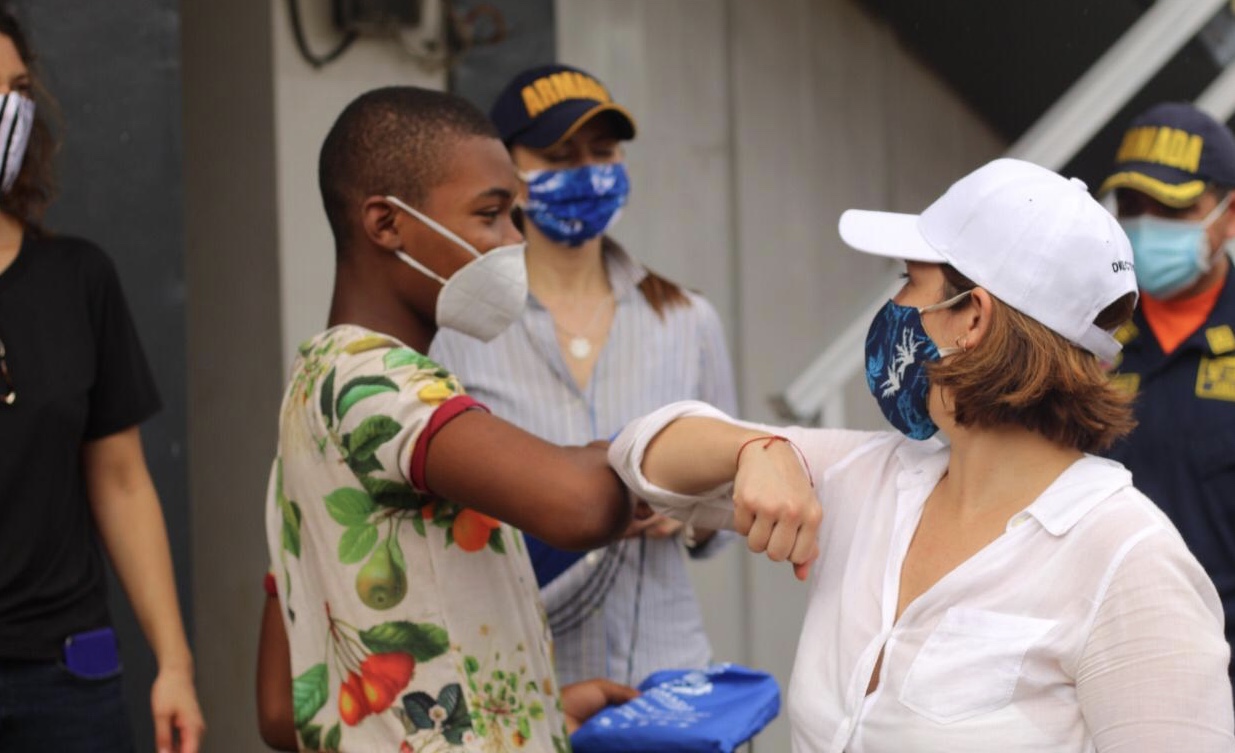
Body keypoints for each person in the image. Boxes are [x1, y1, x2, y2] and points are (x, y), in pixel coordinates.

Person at [608, 158, 1234, 751]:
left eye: (910, 279)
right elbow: (644, 451)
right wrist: (755, 448)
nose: (895, 306)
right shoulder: (873, 477)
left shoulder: (1128, 562)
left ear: (974, 319)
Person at [257, 85, 812, 752]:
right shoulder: (376, 385)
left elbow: (280, 704)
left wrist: (526, 706)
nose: (513, 240)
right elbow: (577, 503)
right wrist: (733, 449)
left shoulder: (315, 380)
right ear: (386, 224)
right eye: (490, 215)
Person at [430, 63, 738, 687]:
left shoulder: (686, 318)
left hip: (667, 678)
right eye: (556, 155)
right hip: (521, 683)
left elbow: (729, 506)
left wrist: (689, 509)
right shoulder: (455, 333)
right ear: (505, 171)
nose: (585, 172)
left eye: (602, 152)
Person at [0, 10, 204, 753]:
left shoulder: (77, 277)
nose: (7, 112)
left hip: (67, 676)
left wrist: (174, 663)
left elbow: (121, 482)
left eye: (17, 89)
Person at [1097, 101, 1235, 692]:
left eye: (1174, 207)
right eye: (1133, 207)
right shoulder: (1087, 339)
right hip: (1098, 669)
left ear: (1229, 215)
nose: (1147, 224)